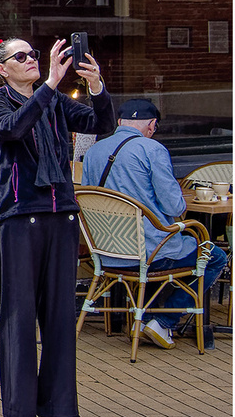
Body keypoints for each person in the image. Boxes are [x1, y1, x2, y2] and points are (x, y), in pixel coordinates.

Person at [0, 37, 113, 417]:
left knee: (59, 316)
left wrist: (97, 88)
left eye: (34, 54)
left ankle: (58, 407)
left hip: (62, 218)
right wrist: (51, 86)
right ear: (3, 68)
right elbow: (13, 130)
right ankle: (17, 411)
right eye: (20, 56)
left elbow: (101, 125)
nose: (32, 60)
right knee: (19, 315)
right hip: (22, 219)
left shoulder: (52, 98)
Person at [81, 98, 229, 349]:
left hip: (105, 253)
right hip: (149, 254)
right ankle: (162, 321)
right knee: (213, 255)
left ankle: (144, 317)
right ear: (151, 125)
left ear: (119, 122)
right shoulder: (152, 149)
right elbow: (175, 207)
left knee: (180, 245)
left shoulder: (94, 151)